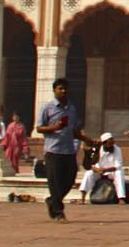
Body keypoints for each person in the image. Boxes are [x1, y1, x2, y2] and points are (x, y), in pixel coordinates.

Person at [36, 76, 91, 222]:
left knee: (69, 179)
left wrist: (86, 139)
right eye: (60, 88)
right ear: (54, 90)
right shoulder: (47, 108)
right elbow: (39, 128)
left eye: (65, 88)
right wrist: (54, 127)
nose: (63, 91)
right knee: (54, 182)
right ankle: (59, 212)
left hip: (68, 150)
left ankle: (53, 200)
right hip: (53, 150)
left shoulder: (71, 108)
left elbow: (73, 130)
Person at [79, 131, 128, 202]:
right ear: (104, 143)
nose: (111, 145)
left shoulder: (117, 149)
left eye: (112, 143)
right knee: (89, 173)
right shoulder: (97, 149)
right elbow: (90, 164)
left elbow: (118, 166)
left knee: (119, 173)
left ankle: (121, 198)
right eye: (109, 143)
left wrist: (105, 170)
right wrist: (96, 169)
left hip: (111, 172)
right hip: (99, 171)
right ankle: (82, 198)